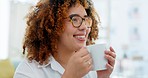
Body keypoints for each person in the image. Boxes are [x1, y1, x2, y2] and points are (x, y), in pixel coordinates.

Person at [14, 0, 116, 78]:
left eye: (85, 20)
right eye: (75, 19)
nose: (84, 27)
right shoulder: (28, 71)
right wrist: (70, 76)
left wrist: (102, 77)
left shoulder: (90, 68)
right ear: (53, 25)